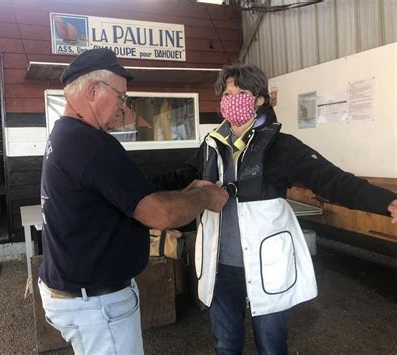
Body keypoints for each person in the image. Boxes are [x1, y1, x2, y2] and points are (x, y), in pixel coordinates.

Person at [152, 63, 397, 355]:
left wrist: (384, 201)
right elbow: (179, 175)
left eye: (241, 93)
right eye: (227, 94)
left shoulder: (281, 147)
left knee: (271, 346)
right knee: (225, 344)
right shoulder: (212, 145)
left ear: (259, 99)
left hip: (265, 265)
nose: (232, 100)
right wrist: (131, 185)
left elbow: (331, 180)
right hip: (220, 266)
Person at [37, 48, 228, 355]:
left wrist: (186, 188)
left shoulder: (65, 135)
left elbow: (132, 190)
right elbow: (159, 214)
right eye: (121, 97)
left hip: (77, 293)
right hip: (95, 304)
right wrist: (205, 196)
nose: (124, 107)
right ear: (93, 90)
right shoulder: (91, 144)